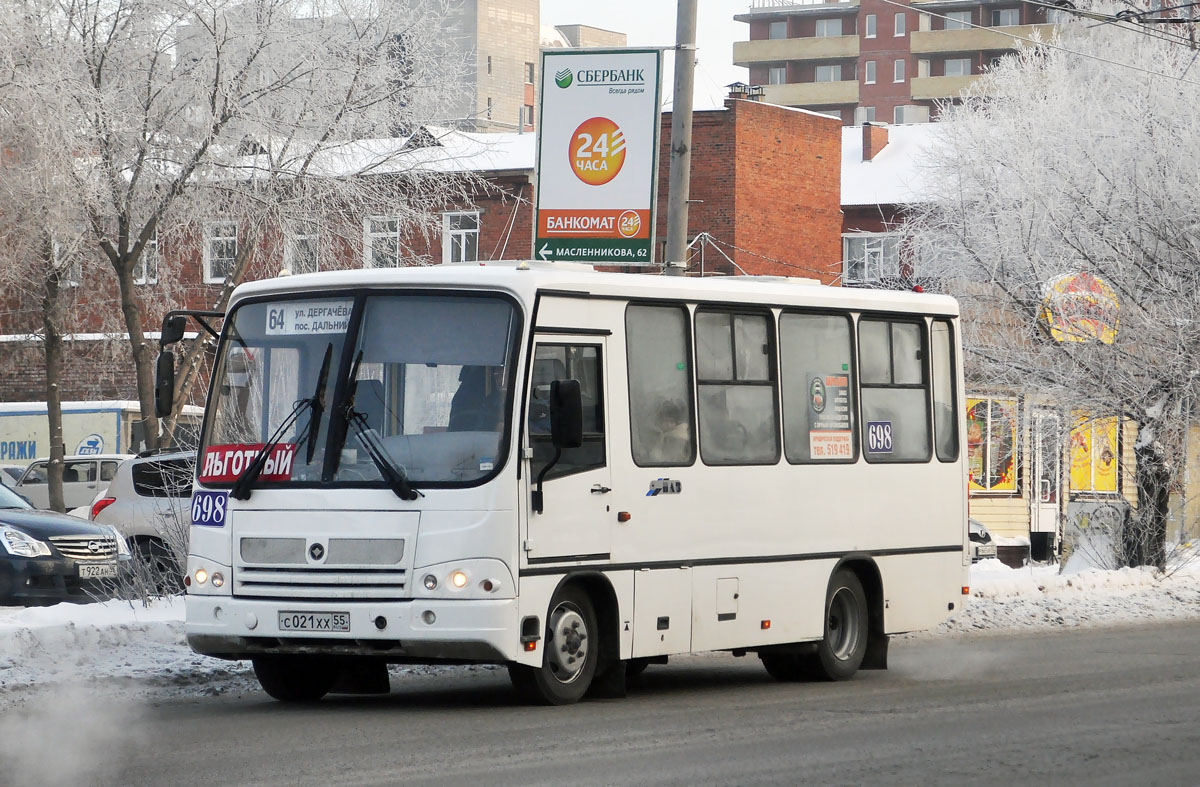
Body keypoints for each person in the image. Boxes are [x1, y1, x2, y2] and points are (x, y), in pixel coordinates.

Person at [448, 365, 506, 432]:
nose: (501, 379)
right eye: (498, 374)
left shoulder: (463, 393)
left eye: (503, 375)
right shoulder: (472, 396)